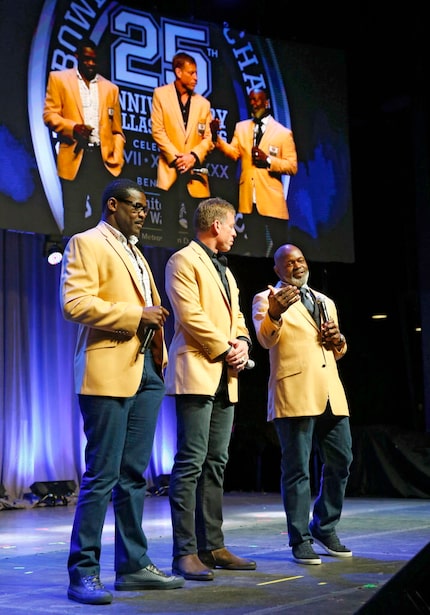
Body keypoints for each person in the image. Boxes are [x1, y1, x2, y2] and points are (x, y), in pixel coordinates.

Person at [60, 178, 184, 605]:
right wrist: (136, 314)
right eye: (136, 206)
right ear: (112, 205)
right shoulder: (86, 242)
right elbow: (74, 303)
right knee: (102, 476)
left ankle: (132, 566)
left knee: (134, 475)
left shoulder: (136, 251)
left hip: (148, 369)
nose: (143, 214)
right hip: (108, 370)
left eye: (146, 209)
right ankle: (84, 573)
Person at [164, 197, 257, 581]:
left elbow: (236, 317)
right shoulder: (182, 260)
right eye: (232, 225)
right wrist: (226, 350)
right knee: (191, 462)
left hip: (224, 376)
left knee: (216, 463)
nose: (235, 232)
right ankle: (185, 551)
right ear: (216, 225)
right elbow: (191, 317)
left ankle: (213, 545)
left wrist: (243, 343)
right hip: (197, 370)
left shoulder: (227, 272)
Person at [251, 243, 353, 565]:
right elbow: (265, 338)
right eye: (289, 262)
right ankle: (300, 539)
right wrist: (275, 312)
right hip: (294, 393)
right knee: (297, 470)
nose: (297, 266)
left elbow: (338, 350)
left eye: (301, 260)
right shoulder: (265, 299)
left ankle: (323, 525)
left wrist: (338, 341)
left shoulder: (325, 301)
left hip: (329, 394)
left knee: (342, 460)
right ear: (278, 270)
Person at [43, 38, 125, 237]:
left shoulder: (110, 89)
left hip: (101, 159)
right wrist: (73, 128)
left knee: (102, 216)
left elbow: (117, 130)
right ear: (77, 57)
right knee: (73, 215)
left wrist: (117, 154)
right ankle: (73, 260)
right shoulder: (59, 79)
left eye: (94, 60)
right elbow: (49, 115)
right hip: (74, 156)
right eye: (86, 59)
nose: (90, 64)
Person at [210, 88, 297, 257]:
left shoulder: (283, 133)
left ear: (267, 103)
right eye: (251, 100)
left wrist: (268, 161)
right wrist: (216, 138)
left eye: (257, 100)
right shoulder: (241, 128)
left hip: (272, 202)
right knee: (255, 247)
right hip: (249, 199)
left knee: (280, 248)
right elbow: (234, 153)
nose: (253, 103)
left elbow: (292, 166)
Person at [151, 52, 214, 247]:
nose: (196, 77)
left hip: (194, 176)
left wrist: (193, 157)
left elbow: (208, 139)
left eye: (196, 73)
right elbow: (157, 130)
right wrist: (179, 158)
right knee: (168, 228)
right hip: (171, 172)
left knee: (196, 230)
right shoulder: (161, 95)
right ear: (178, 72)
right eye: (192, 73)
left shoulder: (204, 104)